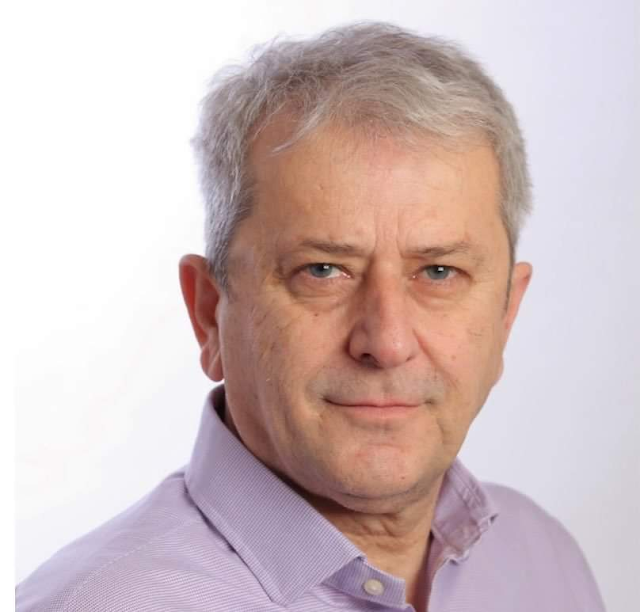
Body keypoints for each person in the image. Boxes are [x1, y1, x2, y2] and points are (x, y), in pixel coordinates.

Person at [16, 22, 606, 612]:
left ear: (506, 314)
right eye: (323, 270)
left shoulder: (543, 562)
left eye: (438, 272)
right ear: (209, 313)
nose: (387, 342)